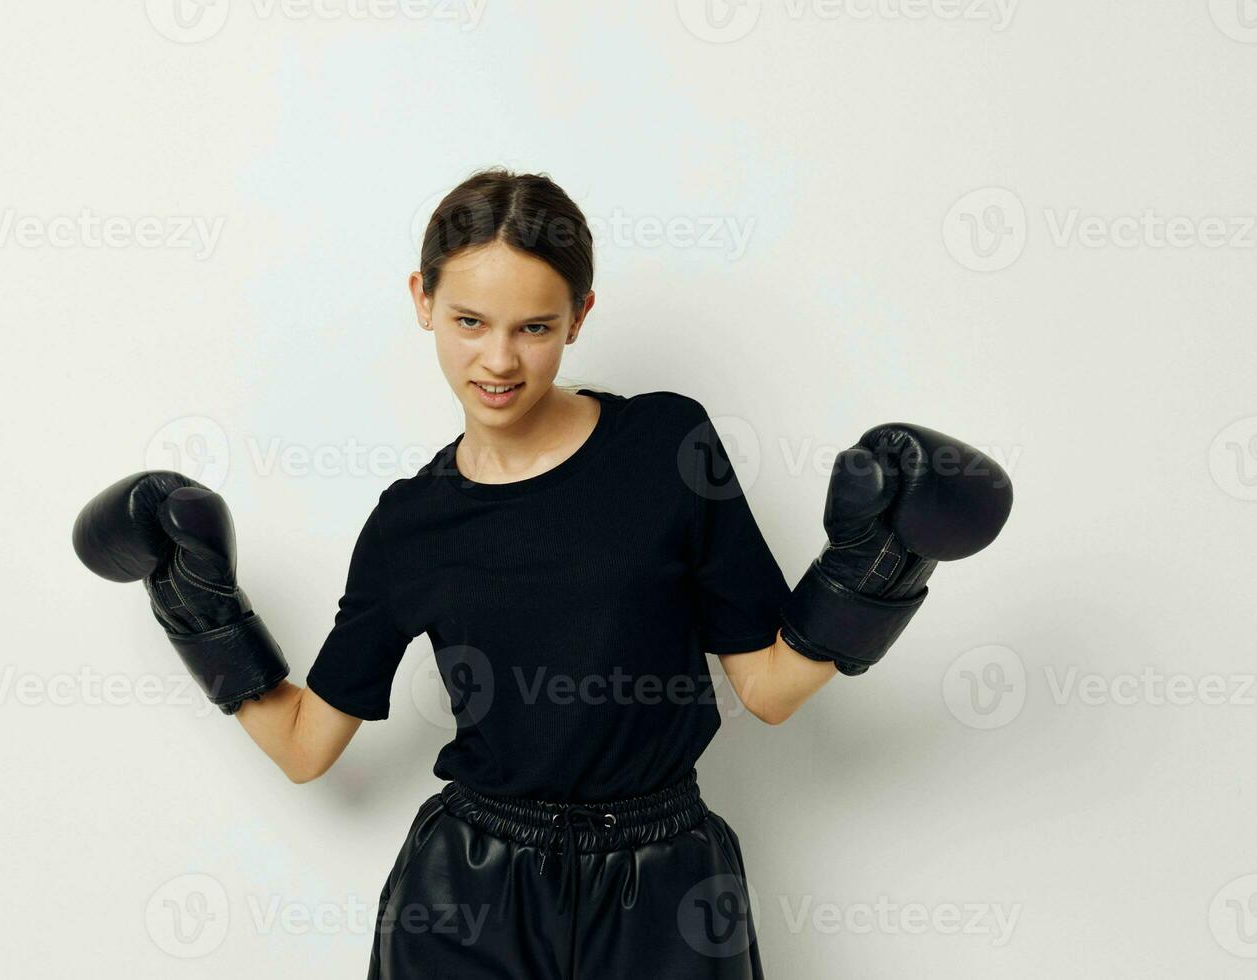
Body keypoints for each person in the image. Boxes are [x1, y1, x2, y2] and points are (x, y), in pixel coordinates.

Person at [71, 167, 1013, 979]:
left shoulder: (667, 444)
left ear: (580, 317)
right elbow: (307, 748)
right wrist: (192, 603)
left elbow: (766, 688)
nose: (498, 358)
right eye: (470, 319)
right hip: (472, 891)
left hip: (666, 883)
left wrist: (884, 565)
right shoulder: (411, 522)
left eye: (534, 326)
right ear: (421, 299)